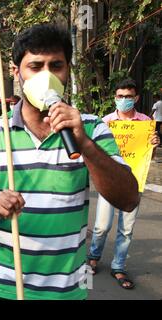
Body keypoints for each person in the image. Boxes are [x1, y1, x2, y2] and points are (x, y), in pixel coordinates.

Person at [0, 24, 139, 300]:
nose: (47, 76)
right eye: (35, 66)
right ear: (17, 72)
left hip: (65, 289)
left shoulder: (92, 128)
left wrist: (85, 145)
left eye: (56, 66)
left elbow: (128, 198)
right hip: (1, 282)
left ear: (68, 70)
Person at [87, 79, 160, 289]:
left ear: (136, 98)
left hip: (134, 182)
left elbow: (148, 156)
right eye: (120, 96)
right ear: (115, 98)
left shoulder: (146, 122)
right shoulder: (105, 122)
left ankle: (118, 266)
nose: (124, 100)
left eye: (128, 96)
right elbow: (95, 152)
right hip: (109, 181)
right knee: (101, 226)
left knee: (126, 229)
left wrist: (154, 144)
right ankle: (93, 256)